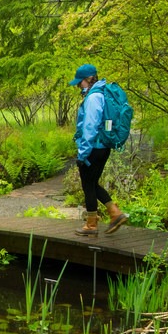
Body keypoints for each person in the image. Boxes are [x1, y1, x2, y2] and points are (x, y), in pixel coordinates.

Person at [70, 63, 129, 235]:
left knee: (88, 184)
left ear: (88, 79)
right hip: (102, 146)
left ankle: (91, 225)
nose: (78, 86)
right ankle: (114, 213)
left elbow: (90, 126)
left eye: (79, 82)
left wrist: (82, 153)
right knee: (92, 183)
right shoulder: (102, 93)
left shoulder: (94, 97)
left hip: (94, 147)